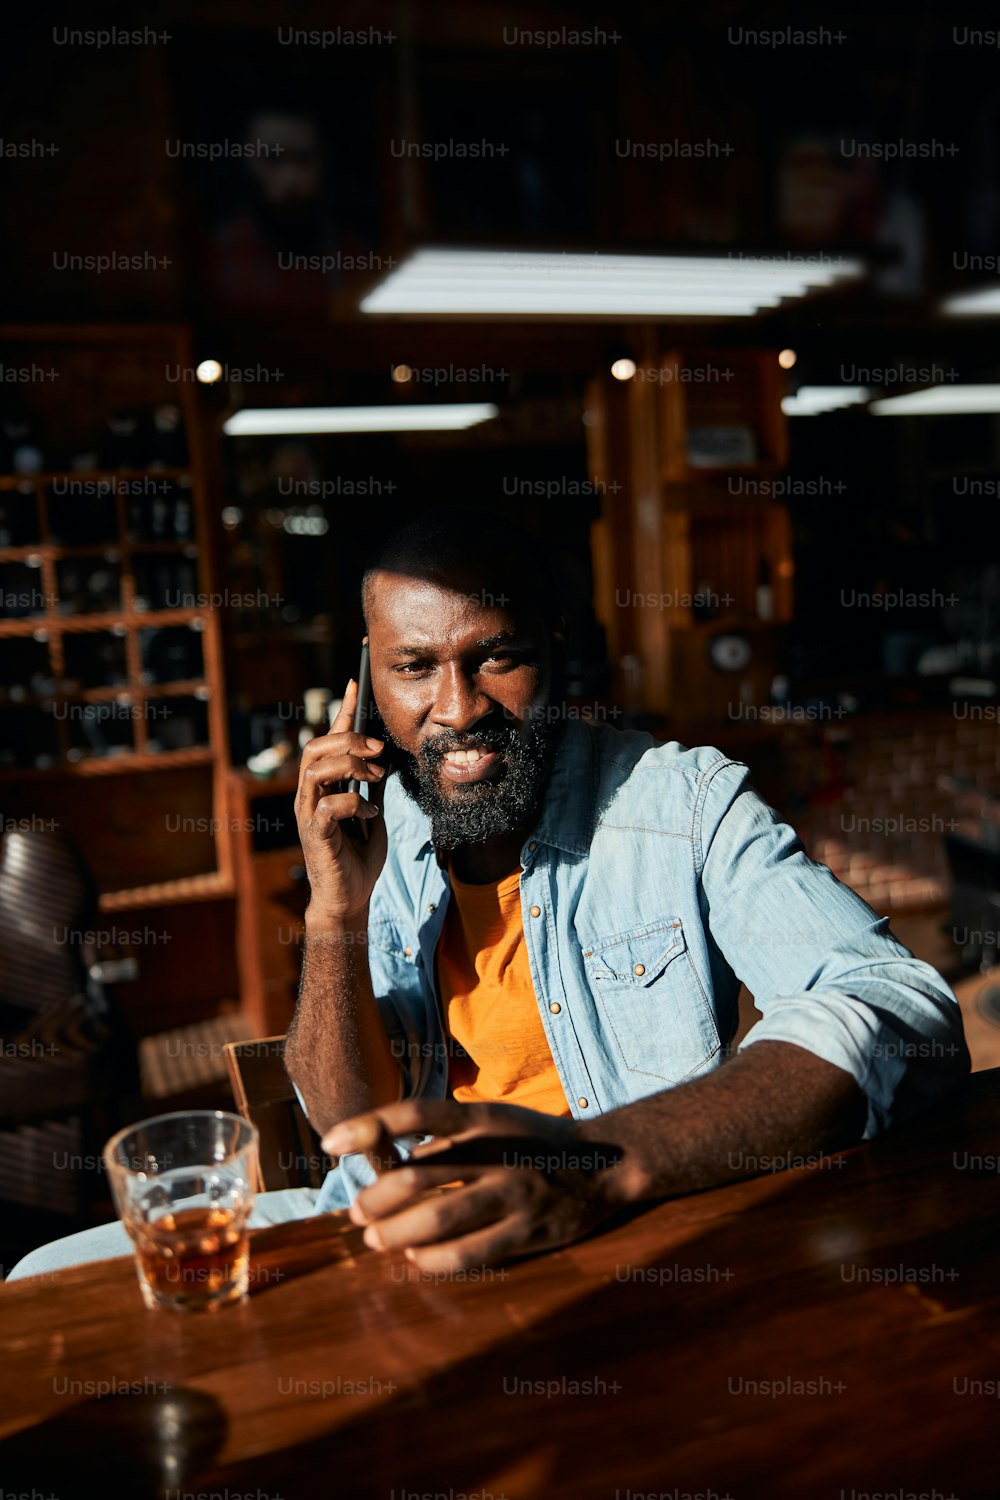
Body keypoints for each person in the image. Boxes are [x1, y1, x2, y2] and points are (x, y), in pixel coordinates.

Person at [7, 508, 969, 1282]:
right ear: (366, 684)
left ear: (554, 652)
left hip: (616, 1234)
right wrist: (335, 912)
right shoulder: (386, 828)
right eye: (415, 668)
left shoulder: (681, 800)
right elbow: (346, 1118)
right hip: (391, 1221)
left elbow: (898, 1010)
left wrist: (595, 1164)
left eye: (495, 657)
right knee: (42, 1275)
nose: (458, 708)